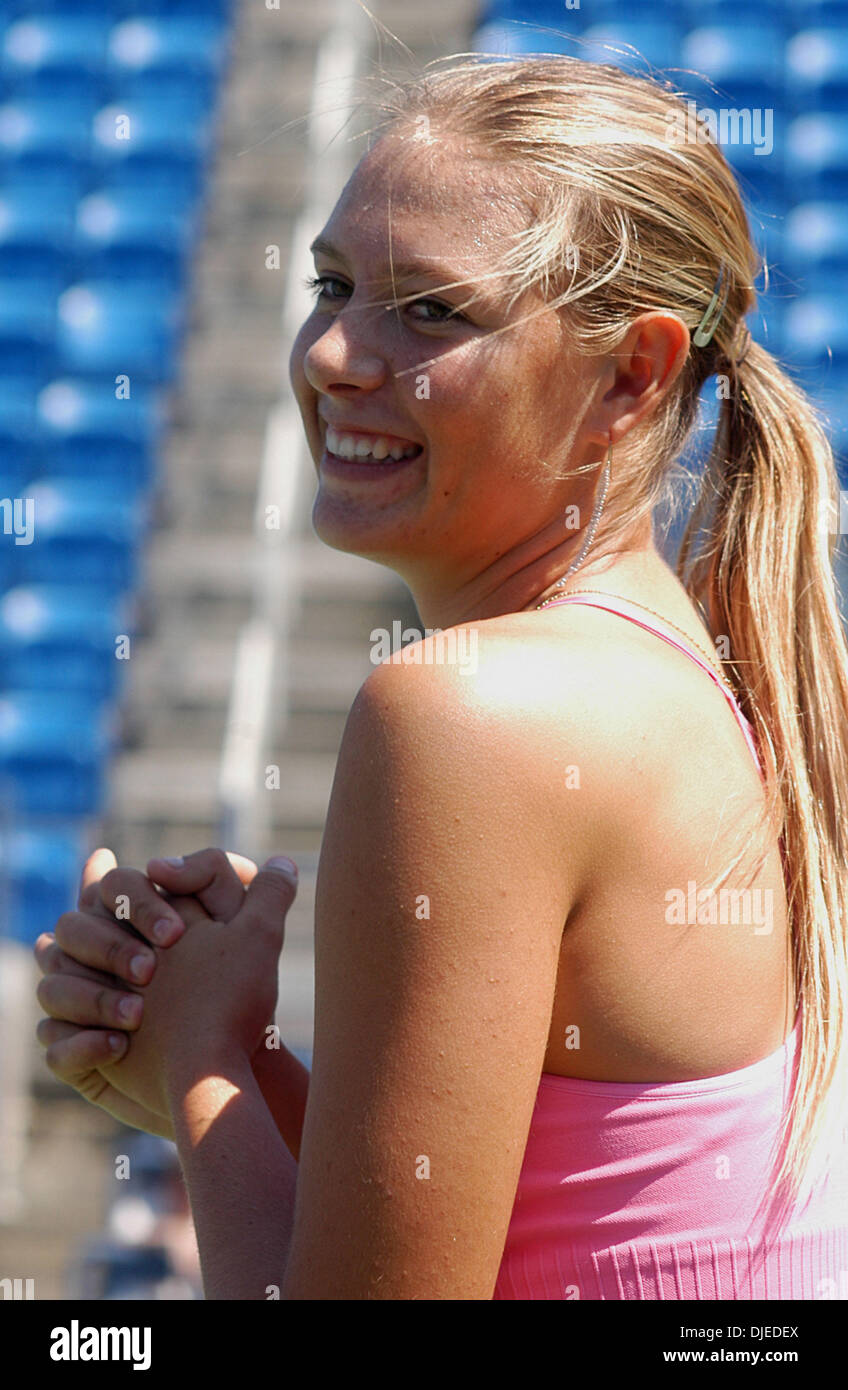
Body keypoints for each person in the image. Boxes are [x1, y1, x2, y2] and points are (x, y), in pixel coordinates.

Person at [34, 54, 848, 1300]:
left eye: (431, 313)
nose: (334, 357)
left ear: (630, 374)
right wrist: (238, 1056)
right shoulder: (702, 668)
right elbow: (531, 1211)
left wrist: (198, 1066)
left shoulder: (468, 715)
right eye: (332, 285)